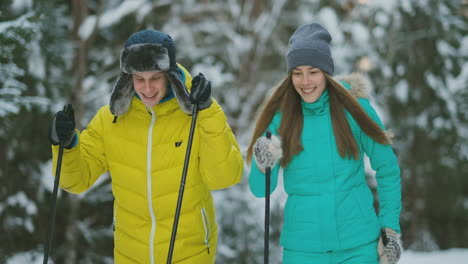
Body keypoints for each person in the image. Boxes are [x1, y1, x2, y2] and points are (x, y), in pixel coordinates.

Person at [48, 29, 243, 264]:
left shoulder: (195, 114)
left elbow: (224, 177)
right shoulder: (110, 119)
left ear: (170, 75)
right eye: (139, 79)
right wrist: (67, 145)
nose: (147, 89)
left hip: (189, 253)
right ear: (128, 78)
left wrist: (208, 111)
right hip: (131, 254)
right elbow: (75, 181)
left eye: (155, 78)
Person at [247, 23, 402, 264]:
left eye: (313, 72)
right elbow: (260, 190)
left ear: (326, 72)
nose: (305, 81)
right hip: (302, 250)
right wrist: (261, 161)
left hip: (358, 246)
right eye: (297, 73)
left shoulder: (355, 108)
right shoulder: (281, 116)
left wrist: (389, 228)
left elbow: (387, 169)